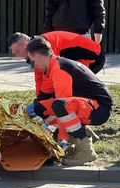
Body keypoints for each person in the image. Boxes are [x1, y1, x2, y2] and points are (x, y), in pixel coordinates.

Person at [26, 36, 113, 166]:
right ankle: (83, 133)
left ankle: (85, 149)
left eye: (33, 61)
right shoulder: (52, 66)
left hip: (99, 108)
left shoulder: (59, 70)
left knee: (60, 106)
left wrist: (62, 138)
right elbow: (44, 97)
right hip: (87, 105)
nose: (34, 66)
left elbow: (62, 106)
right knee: (40, 107)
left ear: (38, 55)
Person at [9, 31, 105, 101]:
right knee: (57, 89)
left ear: (26, 42)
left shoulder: (45, 45)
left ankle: (90, 109)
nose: (18, 56)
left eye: (18, 51)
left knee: (69, 88)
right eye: (15, 53)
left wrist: (44, 97)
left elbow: (50, 74)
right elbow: (39, 77)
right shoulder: (34, 51)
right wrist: (40, 99)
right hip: (78, 60)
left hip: (94, 56)